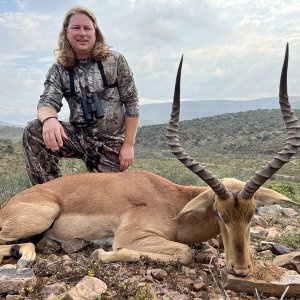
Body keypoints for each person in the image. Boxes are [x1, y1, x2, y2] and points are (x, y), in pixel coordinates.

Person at [22, 6, 139, 185]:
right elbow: (47, 101)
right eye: (76, 28)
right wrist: (49, 120)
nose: (82, 33)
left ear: (95, 32)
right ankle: (48, 192)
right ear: (66, 33)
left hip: (110, 144)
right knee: (33, 130)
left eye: (87, 28)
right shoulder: (59, 69)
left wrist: (128, 146)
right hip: (79, 137)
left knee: (109, 199)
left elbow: (131, 103)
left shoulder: (115, 61)